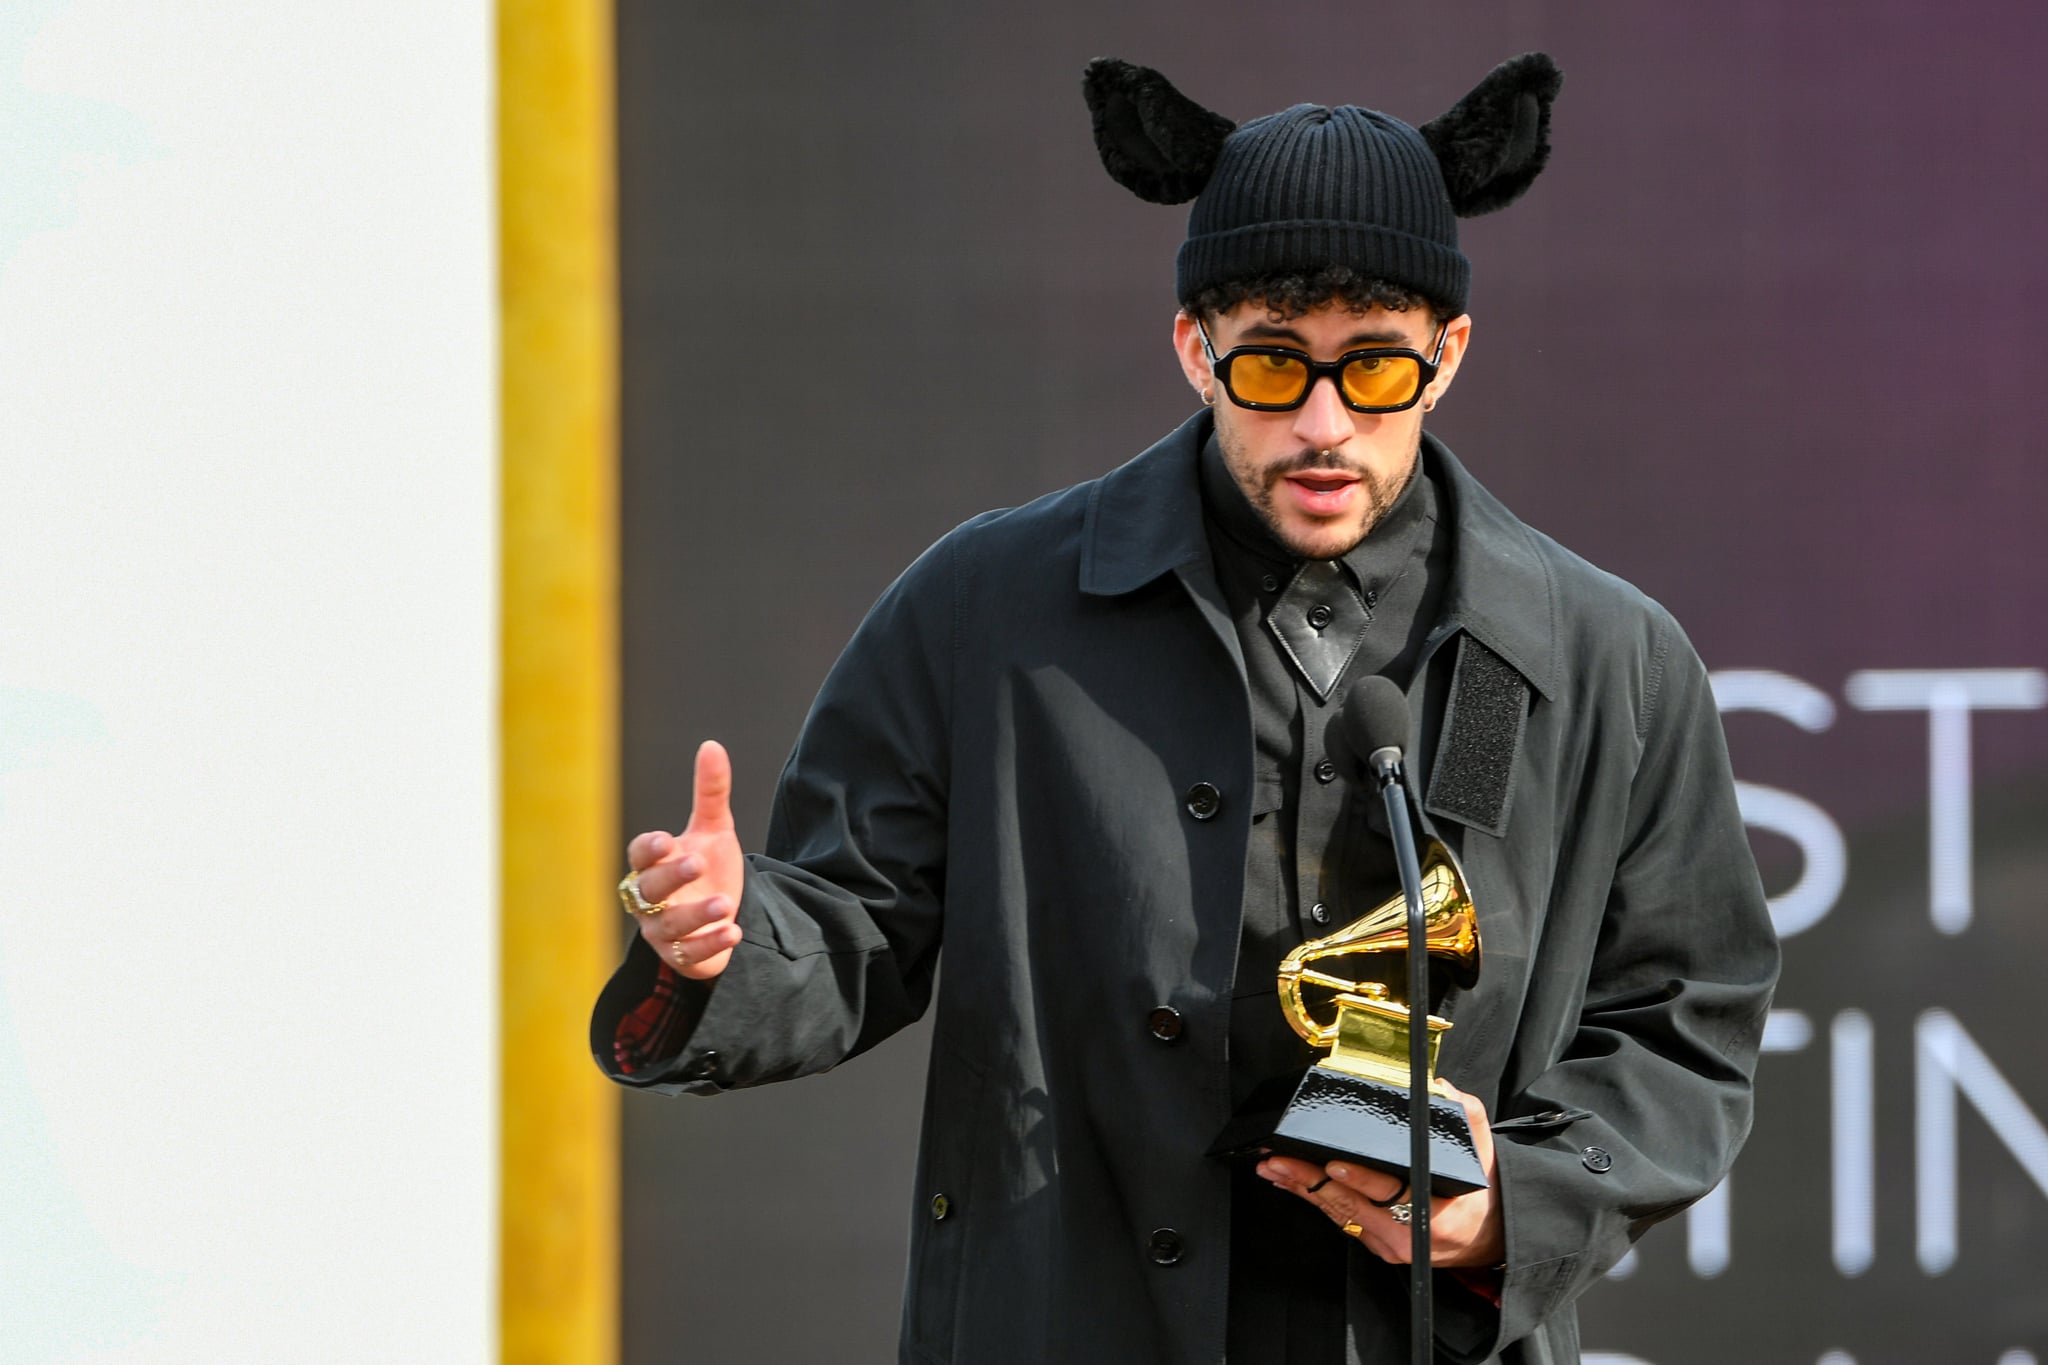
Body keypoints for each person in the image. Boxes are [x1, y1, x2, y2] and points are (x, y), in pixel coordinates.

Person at [592, 52, 1779, 1365]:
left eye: (1374, 370)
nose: (1324, 422)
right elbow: (848, 925)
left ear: (1447, 358)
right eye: (1274, 366)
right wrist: (717, 943)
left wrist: (1519, 1203)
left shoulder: (1607, 654)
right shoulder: (988, 607)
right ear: (1193, 350)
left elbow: (1685, 1015)